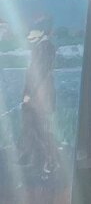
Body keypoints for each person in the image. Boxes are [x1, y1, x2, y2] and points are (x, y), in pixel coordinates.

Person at [21, 19, 59, 175]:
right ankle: (32, 157)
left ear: (42, 31)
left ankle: (49, 161)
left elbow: (38, 72)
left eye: (33, 30)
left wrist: (28, 93)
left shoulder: (44, 47)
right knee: (34, 125)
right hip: (40, 92)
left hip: (40, 93)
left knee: (39, 126)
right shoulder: (43, 46)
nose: (29, 34)